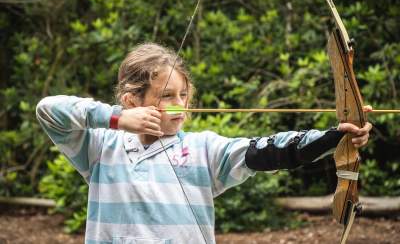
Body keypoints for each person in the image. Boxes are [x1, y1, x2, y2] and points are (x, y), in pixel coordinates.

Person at [36, 43, 372, 244]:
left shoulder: (203, 150)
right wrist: (116, 119)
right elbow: (49, 111)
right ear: (131, 100)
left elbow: (269, 150)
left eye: (184, 94)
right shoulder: (100, 148)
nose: (181, 104)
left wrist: (335, 136)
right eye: (167, 96)